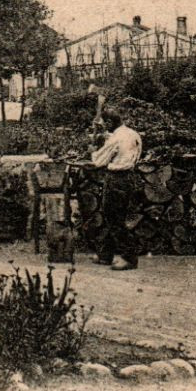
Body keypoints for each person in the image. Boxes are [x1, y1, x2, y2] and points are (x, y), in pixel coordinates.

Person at [69, 108, 143, 270]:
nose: (104, 127)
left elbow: (99, 161)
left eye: (105, 124)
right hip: (129, 177)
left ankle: (129, 258)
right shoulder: (133, 134)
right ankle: (106, 255)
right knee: (112, 215)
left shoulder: (115, 139)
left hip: (116, 178)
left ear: (110, 123)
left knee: (113, 218)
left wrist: (91, 153)